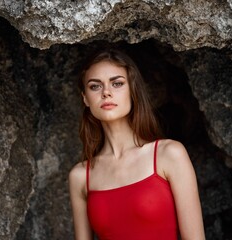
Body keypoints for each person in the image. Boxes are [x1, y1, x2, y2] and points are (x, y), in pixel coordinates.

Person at [69, 49, 205, 240]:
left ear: (133, 90)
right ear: (85, 98)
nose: (106, 92)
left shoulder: (169, 154)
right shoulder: (81, 176)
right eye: (95, 86)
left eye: (117, 84)